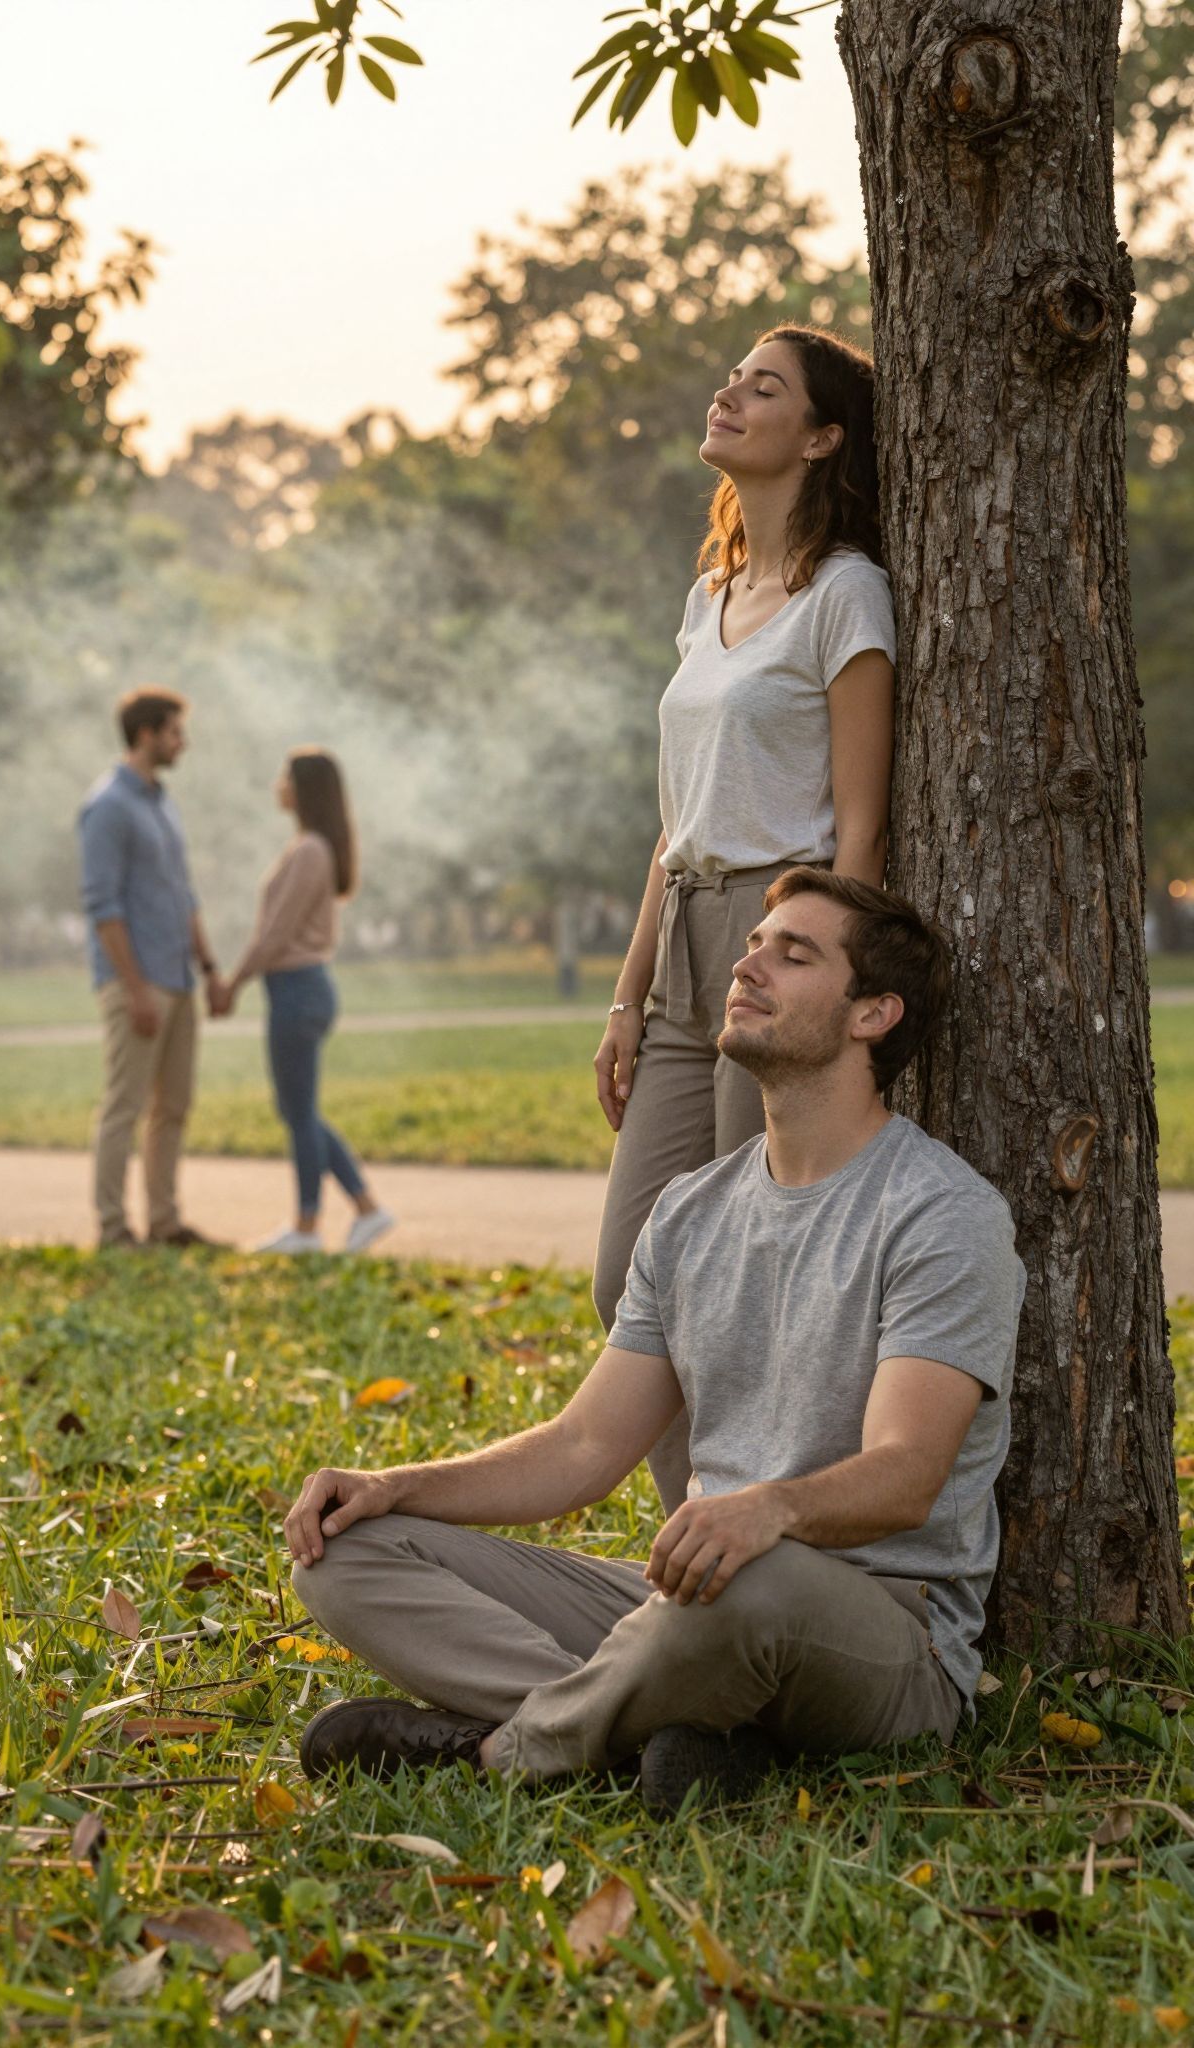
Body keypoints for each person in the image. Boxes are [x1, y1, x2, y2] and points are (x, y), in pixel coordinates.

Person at [282, 871, 1025, 1817]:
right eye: (755, 942)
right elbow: (583, 1449)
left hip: (882, 1635)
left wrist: (770, 1512)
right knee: (347, 1553)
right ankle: (677, 1734)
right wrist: (396, 1488)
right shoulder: (689, 1212)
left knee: (747, 1589)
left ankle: (503, 1752)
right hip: (692, 1601)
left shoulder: (941, 1213)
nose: (749, 963)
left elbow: (908, 1472)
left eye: (793, 954)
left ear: (873, 1014)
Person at [592, 325, 897, 1514]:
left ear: (821, 437)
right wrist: (630, 993)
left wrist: (819, 971)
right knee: (633, 1266)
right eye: (733, 375)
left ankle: (729, 1547)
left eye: (763, 386)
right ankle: (694, 1539)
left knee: (734, 1272)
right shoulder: (707, 595)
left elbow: (859, 831)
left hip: (780, 936)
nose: (730, 391)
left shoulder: (847, 594)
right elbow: (675, 826)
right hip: (682, 946)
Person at [210, 747, 395, 1256]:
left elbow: (274, 935)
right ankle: (364, 1209)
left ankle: (309, 1227)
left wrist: (232, 982)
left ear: (304, 788)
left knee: (298, 1110)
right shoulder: (309, 847)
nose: (278, 784)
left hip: (298, 989)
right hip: (297, 989)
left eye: (285, 776)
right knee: (298, 1109)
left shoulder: (310, 850)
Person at [78, 687, 221, 1250]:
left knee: (174, 1107)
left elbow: (183, 895)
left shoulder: (161, 802)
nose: (182, 743)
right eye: (175, 733)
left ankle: (164, 1221)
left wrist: (208, 967)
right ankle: (113, 1228)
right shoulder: (108, 806)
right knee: (125, 1106)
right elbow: (103, 907)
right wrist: (134, 989)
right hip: (137, 981)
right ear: (146, 734)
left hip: (178, 977)